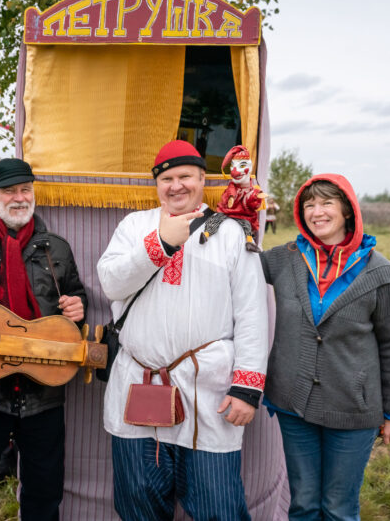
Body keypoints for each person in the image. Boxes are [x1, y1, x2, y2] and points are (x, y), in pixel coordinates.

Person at [97, 140, 269, 521]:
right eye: (167, 178)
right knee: (138, 506)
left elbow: (253, 312)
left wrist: (247, 388)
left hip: (209, 395)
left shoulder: (230, 233)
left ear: (202, 179)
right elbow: (111, 283)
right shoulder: (134, 226)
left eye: (185, 176)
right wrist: (160, 243)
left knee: (218, 508)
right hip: (138, 387)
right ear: (156, 184)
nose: (176, 186)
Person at [260, 174, 390, 520]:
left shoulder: (383, 273)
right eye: (309, 204)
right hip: (294, 404)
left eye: (327, 202)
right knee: (304, 504)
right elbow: (235, 263)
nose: (317, 211)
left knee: (339, 509)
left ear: (347, 211)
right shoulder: (284, 259)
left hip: (352, 408)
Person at [0, 158, 87, 521]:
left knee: (44, 491)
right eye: (9, 191)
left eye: (25, 190)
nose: (19, 198)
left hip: (44, 395)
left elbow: (76, 299)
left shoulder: (56, 249)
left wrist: (80, 307)